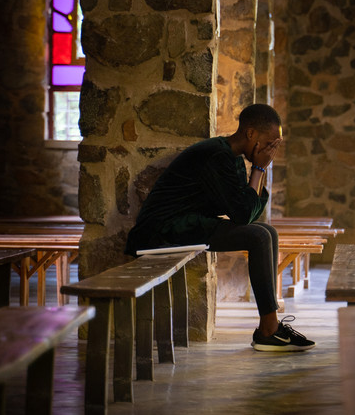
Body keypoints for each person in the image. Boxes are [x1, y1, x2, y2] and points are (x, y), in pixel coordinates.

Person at [125, 103, 315, 352]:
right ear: (250, 134)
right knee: (258, 236)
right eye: (270, 143)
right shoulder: (216, 155)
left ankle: (270, 327)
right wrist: (258, 169)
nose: (271, 151)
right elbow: (244, 214)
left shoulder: (232, 158)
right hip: (163, 229)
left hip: (188, 223)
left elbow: (246, 211)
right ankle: (269, 329)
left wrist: (258, 171)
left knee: (267, 232)